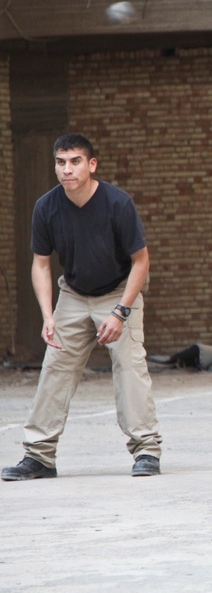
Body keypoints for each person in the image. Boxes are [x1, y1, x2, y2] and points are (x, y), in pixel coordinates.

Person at [1, 134, 163, 481]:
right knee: (55, 369)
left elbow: (141, 262)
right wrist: (48, 315)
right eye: (61, 162)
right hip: (73, 294)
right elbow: (41, 265)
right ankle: (40, 456)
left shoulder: (118, 204)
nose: (67, 169)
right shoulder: (46, 207)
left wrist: (121, 312)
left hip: (119, 291)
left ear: (91, 165)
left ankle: (146, 449)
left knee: (129, 367)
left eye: (75, 161)